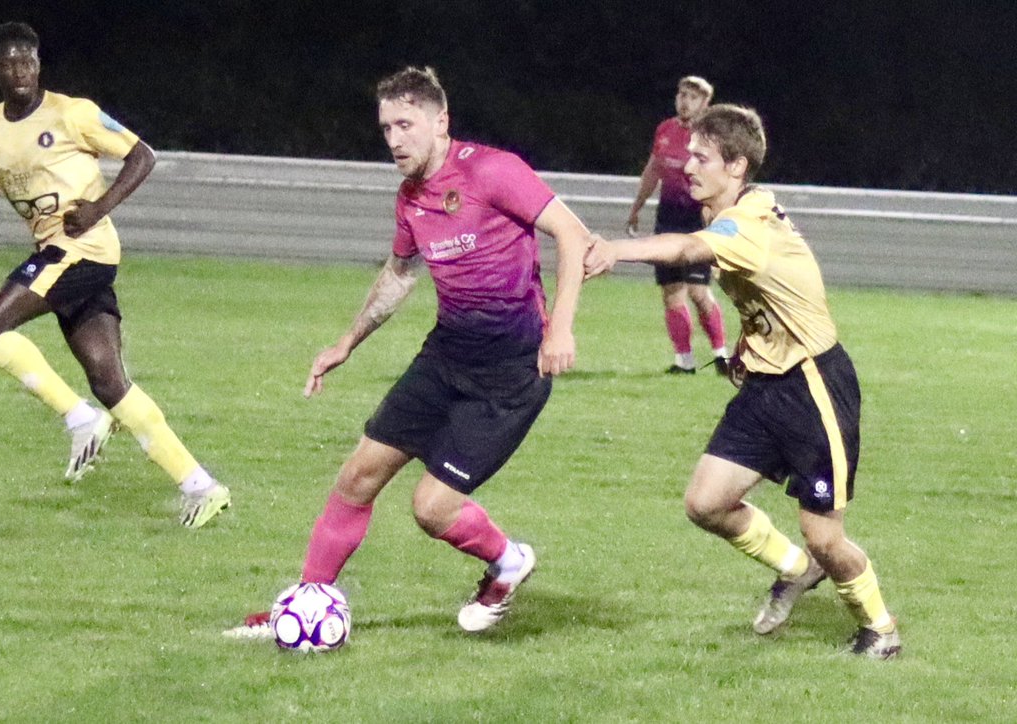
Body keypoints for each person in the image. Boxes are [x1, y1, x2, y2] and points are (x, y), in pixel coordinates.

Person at [224, 66, 590, 638]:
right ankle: (304, 605)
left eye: (406, 124)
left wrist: (560, 329)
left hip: (509, 373)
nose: (394, 140)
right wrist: (347, 341)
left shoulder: (493, 171)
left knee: (432, 509)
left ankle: (508, 561)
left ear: (440, 122)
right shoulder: (410, 197)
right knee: (356, 477)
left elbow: (573, 234)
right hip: (445, 358)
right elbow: (398, 275)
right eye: (386, 128)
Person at [585, 104, 901, 658]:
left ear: (735, 166)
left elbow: (684, 249)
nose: (687, 166)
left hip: (813, 387)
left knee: (825, 535)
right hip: (764, 383)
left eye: (702, 157)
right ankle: (795, 571)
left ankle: (880, 629)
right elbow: (769, 290)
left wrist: (615, 249)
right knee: (706, 503)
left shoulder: (742, 225)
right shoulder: (738, 209)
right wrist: (745, 344)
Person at [0, 22, 229, 528]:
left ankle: (80, 420)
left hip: (83, 247)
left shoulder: (73, 112)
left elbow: (143, 155)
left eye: (27, 61)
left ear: (38, 65)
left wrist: (98, 207)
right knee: (108, 379)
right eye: (8, 63)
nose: (20, 71)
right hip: (60, 252)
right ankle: (201, 486)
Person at [626, 76, 728, 375]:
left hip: (698, 219)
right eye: (681, 94)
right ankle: (684, 361)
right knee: (671, 291)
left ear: (704, 103)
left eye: (692, 97)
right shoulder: (666, 130)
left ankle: (721, 355)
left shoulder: (711, 136)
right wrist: (637, 207)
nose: (684, 101)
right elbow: (653, 170)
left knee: (698, 289)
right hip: (668, 217)